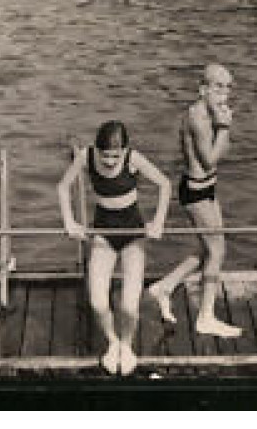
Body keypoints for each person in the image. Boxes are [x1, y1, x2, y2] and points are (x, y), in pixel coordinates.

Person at [58, 121, 171, 376]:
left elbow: (165, 184)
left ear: (125, 151)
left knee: (129, 307)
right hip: (104, 234)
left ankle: (128, 345)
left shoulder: (134, 159)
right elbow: (62, 187)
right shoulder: (86, 156)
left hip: (133, 235)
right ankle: (112, 342)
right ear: (96, 150)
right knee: (98, 302)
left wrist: (159, 222)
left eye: (115, 156)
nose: (109, 161)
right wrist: (69, 222)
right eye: (105, 155)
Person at [146, 64, 243, 339]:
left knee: (207, 248)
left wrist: (224, 126)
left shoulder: (211, 113)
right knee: (217, 251)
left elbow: (224, 151)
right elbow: (210, 159)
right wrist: (224, 126)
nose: (224, 93)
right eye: (217, 87)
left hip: (208, 187)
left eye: (228, 87)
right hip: (196, 191)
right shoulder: (198, 117)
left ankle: (164, 287)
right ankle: (205, 317)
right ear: (203, 89)